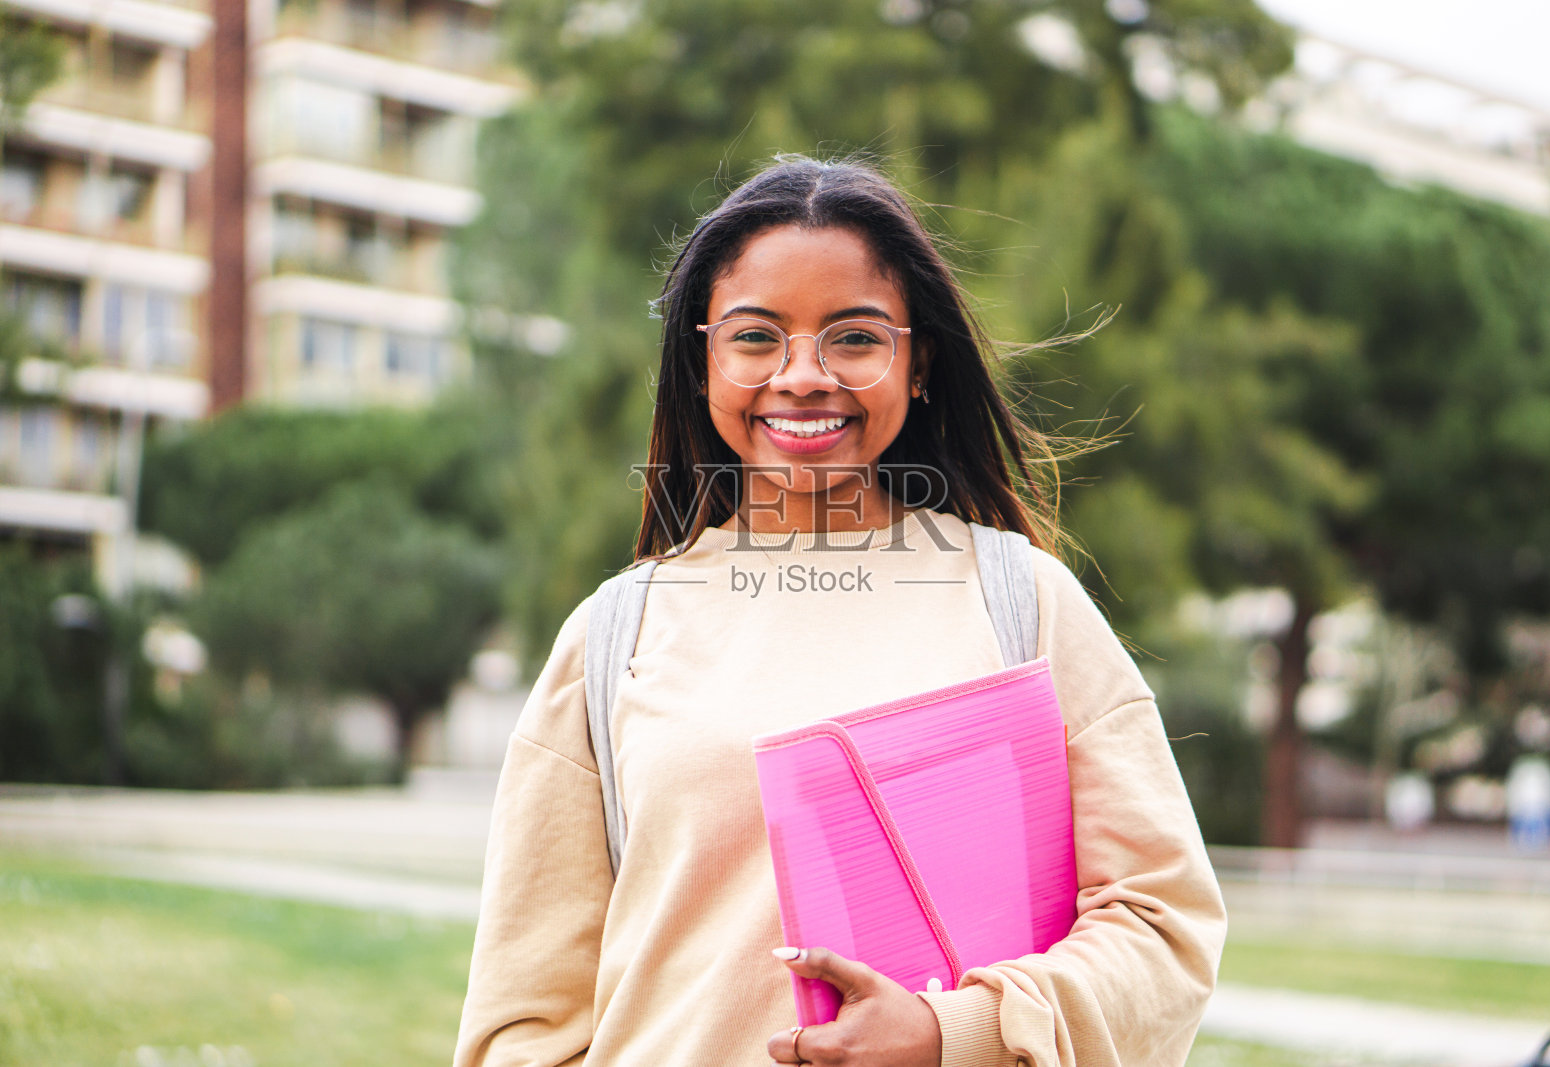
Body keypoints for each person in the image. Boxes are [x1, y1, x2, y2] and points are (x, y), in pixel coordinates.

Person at [453, 156, 1226, 1067]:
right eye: (755, 338)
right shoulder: (614, 633)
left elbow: (1162, 927)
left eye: (854, 338)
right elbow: (522, 1021)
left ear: (919, 358)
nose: (804, 375)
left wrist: (953, 1030)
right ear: (703, 362)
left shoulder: (1023, 602)